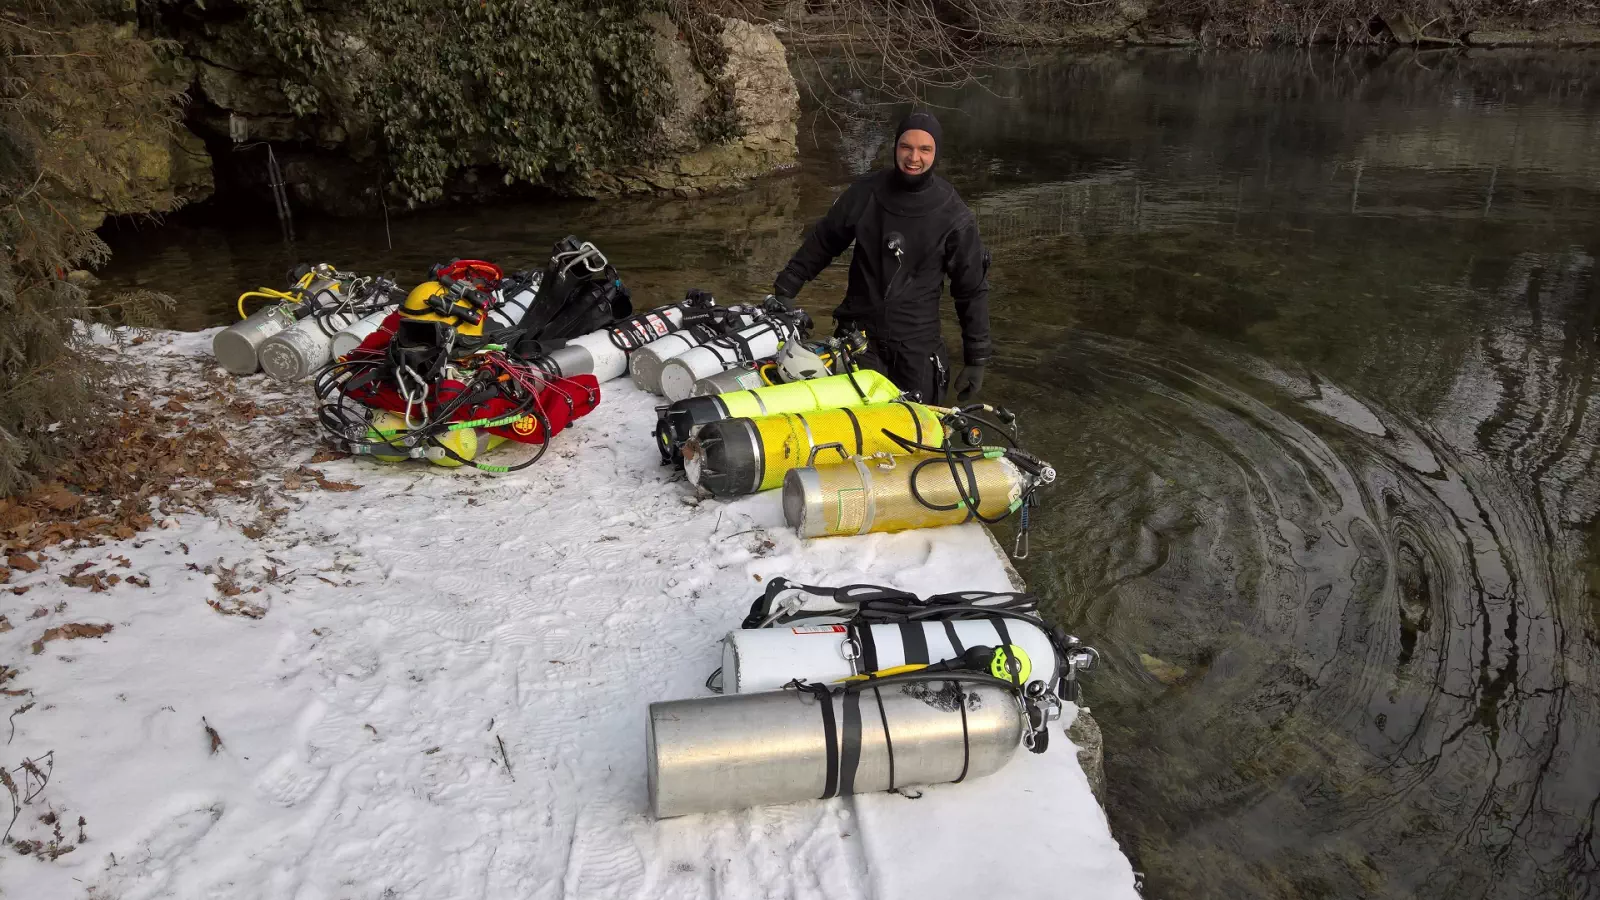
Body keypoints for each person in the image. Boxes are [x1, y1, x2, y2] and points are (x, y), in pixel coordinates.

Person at [771, 111, 990, 404]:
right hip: (860, 339)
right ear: (895, 148)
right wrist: (787, 287)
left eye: (924, 149)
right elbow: (825, 240)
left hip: (917, 347)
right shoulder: (867, 194)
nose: (914, 157)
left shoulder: (953, 215)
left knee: (918, 436)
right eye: (906, 147)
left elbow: (970, 289)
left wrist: (976, 357)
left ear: (936, 153)